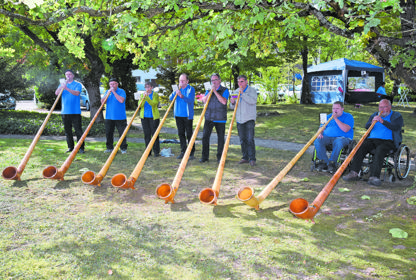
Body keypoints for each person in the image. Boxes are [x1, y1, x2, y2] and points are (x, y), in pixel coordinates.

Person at [343, 99, 403, 186]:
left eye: (384, 107)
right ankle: (354, 173)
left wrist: (383, 121)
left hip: (388, 141)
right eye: (380, 107)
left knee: (380, 149)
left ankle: (374, 177)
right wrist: (371, 122)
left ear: (389, 107)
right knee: (360, 146)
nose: (381, 109)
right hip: (372, 140)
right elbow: (366, 126)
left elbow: (396, 127)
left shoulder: (396, 116)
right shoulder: (375, 114)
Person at [313, 101, 354, 173]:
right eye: (333, 108)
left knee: (338, 142)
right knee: (317, 140)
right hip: (328, 137)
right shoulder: (327, 117)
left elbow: (345, 129)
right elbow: (321, 127)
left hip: (343, 138)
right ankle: (324, 162)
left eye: (337, 108)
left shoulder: (348, 116)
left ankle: (332, 163)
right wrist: (320, 133)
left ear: (342, 109)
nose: (335, 110)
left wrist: (335, 119)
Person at [200, 73, 229, 163]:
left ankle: (220, 157)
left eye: (215, 80)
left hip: (220, 118)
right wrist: (210, 92)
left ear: (219, 80)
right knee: (205, 137)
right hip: (209, 117)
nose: (214, 82)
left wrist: (215, 92)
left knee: (220, 138)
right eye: (212, 80)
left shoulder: (225, 90)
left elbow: (224, 101)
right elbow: (204, 100)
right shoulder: (208, 90)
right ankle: (205, 157)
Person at [230, 75, 257, 166]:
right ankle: (245, 157)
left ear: (246, 81)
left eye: (241, 81)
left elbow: (252, 101)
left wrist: (242, 94)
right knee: (242, 139)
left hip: (249, 118)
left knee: (250, 139)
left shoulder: (252, 91)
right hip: (239, 119)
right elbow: (232, 107)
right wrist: (232, 103)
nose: (240, 84)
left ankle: (252, 158)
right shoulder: (236, 91)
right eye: (238, 82)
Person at [55, 69, 85, 154]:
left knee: (78, 130)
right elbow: (57, 93)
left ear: (73, 75)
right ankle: (70, 147)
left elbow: (76, 93)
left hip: (75, 111)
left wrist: (66, 88)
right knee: (68, 131)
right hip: (65, 111)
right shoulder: (62, 84)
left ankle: (81, 148)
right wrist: (62, 86)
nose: (68, 76)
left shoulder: (77, 84)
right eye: (66, 74)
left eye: (70, 74)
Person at [169, 73, 196, 160]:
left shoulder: (191, 89)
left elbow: (190, 100)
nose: (181, 82)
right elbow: (170, 98)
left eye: (183, 80)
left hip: (187, 115)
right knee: (181, 134)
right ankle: (183, 151)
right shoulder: (177, 89)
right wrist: (175, 92)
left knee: (189, 134)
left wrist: (181, 95)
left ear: (187, 81)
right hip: (178, 115)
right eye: (180, 80)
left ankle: (191, 153)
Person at [102, 78, 128, 154]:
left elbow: (121, 100)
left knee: (122, 133)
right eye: (111, 84)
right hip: (109, 116)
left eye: (114, 84)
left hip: (120, 116)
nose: (112, 85)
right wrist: (108, 94)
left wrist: (113, 92)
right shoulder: (107, 91)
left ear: (117, 84)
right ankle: (109, 148)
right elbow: (102, 102)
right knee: (109, 133)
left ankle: (123, 148)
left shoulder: (121, 91)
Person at [139, 81, 160, 157]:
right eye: (146, 87)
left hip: (153, 117)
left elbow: (154, 104)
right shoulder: (142, 95)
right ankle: (148, 152)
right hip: (144, 117)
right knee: (147, 135)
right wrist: (143, 98)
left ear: (152, 87)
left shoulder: (155, 95)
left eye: (148, 87)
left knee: (154, 134)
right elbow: (140, 105)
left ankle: (156, 151)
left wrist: (147, 98)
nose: (147, 89)